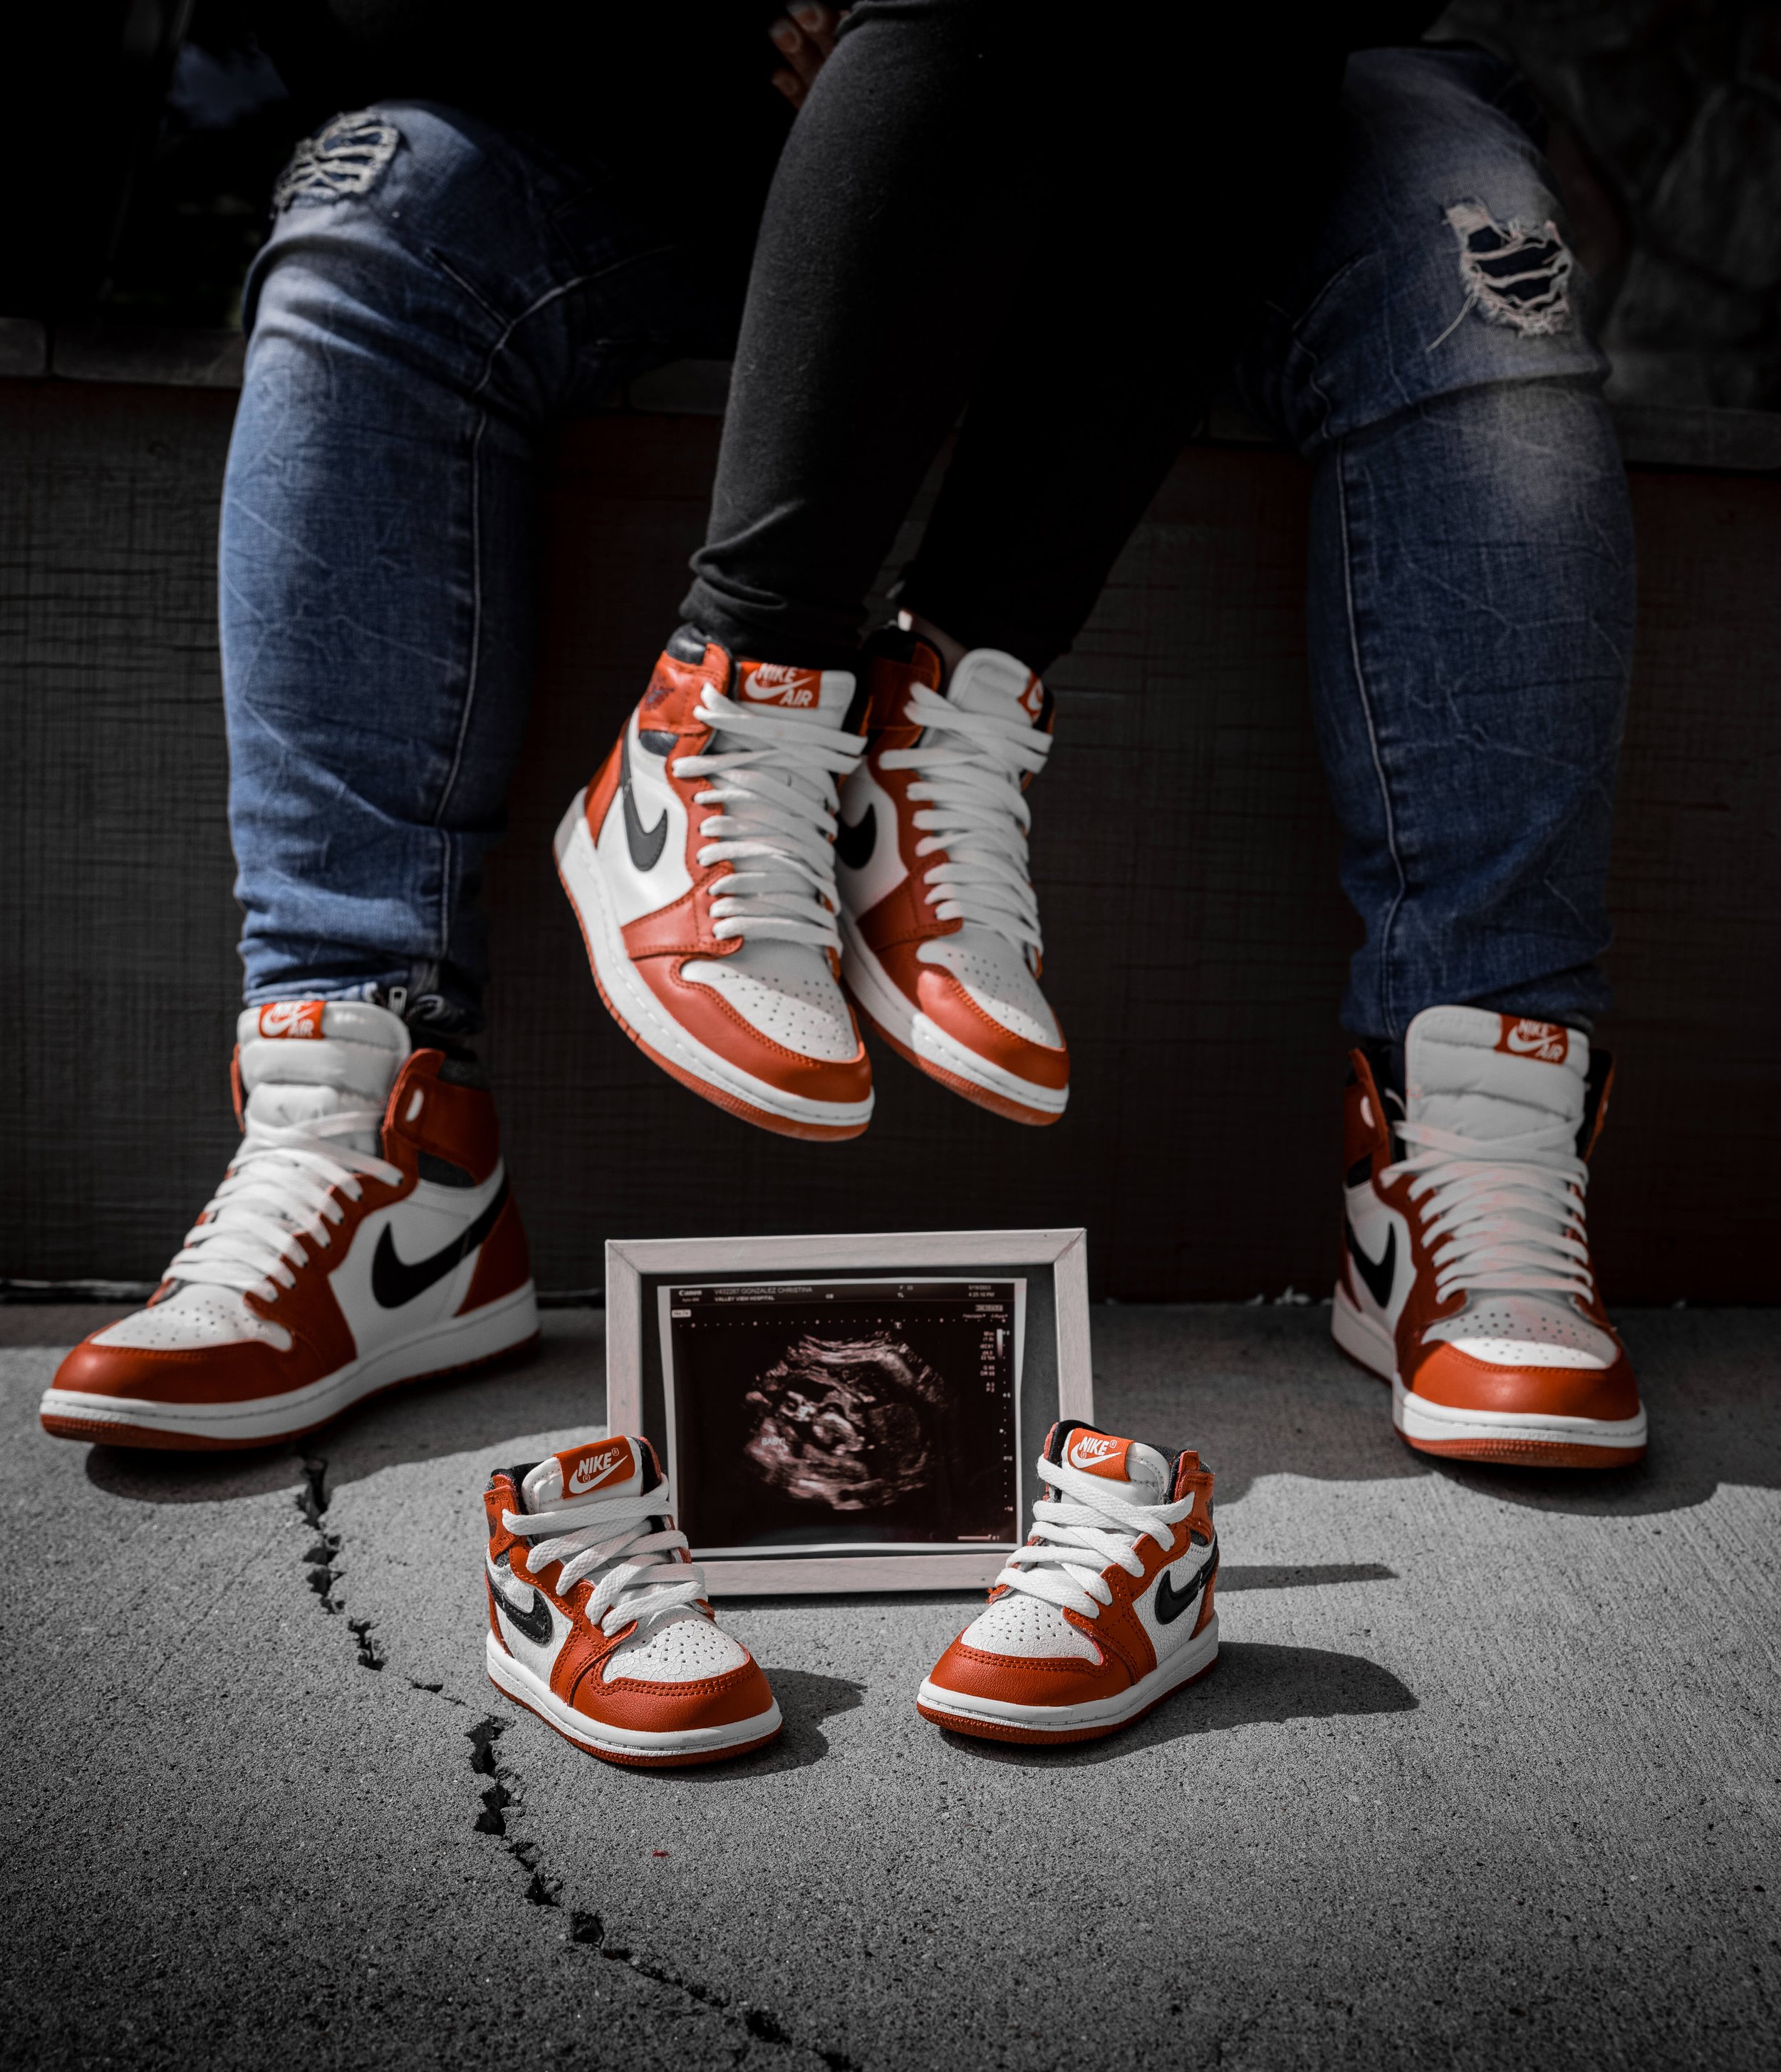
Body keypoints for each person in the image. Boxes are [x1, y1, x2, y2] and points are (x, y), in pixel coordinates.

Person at [41, 9, 1645, 1471]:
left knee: (1472, 255)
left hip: (1232, 104)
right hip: (698, 91)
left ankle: (1470, 1153)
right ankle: (368, 1132)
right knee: (377, 215)